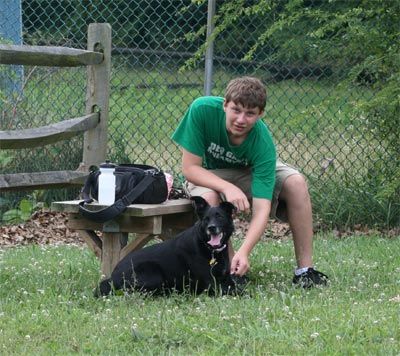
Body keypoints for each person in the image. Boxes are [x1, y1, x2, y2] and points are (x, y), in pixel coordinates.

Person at [172, 76, 328, 288]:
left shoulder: (262, 141)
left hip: (248, 172)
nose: (241, 119)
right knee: (210, 199)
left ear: (260, 114)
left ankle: (305, 272)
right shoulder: (202, 109)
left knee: (296, 182)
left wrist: (246, 250)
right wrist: (228, 187)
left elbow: (261, 208)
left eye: (250, 114)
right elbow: (190, 169)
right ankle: (229, 271)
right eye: (236, 110)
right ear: (225, 104)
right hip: (207, 172)